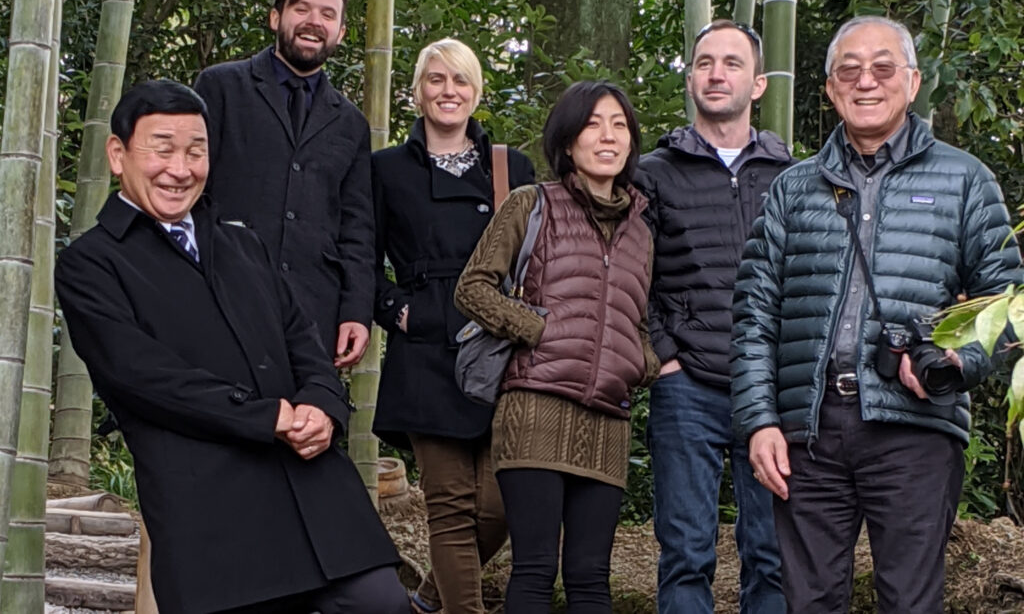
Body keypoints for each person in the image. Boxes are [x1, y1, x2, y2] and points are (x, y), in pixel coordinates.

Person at [54, 80, 407, 614]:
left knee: (378, 603)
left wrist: (322, 404)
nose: (181, 168)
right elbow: (143, 377)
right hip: (209, 506)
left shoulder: (242, 243)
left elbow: (302, 341)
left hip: (308, 489)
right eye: (163, 149)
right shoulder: (92, 263)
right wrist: (267, 417)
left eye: (196, 151)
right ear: (119, 154)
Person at [731, 16, 1023, 613]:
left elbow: (1011, 307)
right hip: (807, 431)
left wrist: (957, 362)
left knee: (911, 601)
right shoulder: (793, 188)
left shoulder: (965, 179)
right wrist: (760, 421)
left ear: (912, 82)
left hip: (916, 428)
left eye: (883, 68)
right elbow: (755, 314)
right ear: (831, 89)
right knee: (808, 602)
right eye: (850, 70)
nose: (867, 81)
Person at [455, 81, 660, 613]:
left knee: (592, 578)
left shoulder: (641, 230)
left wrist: (643, 361)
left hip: (608, 422)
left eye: (619, 125)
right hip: (535, 408)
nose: (608, 136)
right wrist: (538, 329)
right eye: (593, 124)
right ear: (569, 142)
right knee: (535, 570)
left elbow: (636, 316)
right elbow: (472, 287)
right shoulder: (533, 203)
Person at [371, 38, 534, 614]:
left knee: (501, 505)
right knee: (450, 503)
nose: (448, 91)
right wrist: (400, 312)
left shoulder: (510, 167)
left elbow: (535, 259)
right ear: (417, 91)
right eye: (436, 80)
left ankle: (427, 602)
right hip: (426, 352)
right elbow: (359, 262)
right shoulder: (384, 169)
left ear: (476, 92)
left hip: (498, 349)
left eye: (459, 80)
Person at [634, 19, 790, 614]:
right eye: (704, 62)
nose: (716, 73)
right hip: (686, 388)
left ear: (758, 84)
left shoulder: (792, 175)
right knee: (685, 553)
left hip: (770, 389)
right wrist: (664, 357)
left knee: (772, 553)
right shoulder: (653, 172)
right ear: (691, 76)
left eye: (731, 63)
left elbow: (809, 279)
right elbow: (631, 277)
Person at [194, 0, 373, 367]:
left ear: (341, 33)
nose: (314, 22)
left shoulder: (351, 123)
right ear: (276, 17)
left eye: (328, 15)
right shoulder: (220, 87)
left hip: (312, 315)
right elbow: (188, 190)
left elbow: (358, 228)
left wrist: (356, 311)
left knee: (302, 427)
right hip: (222, 295)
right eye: (302, 9)